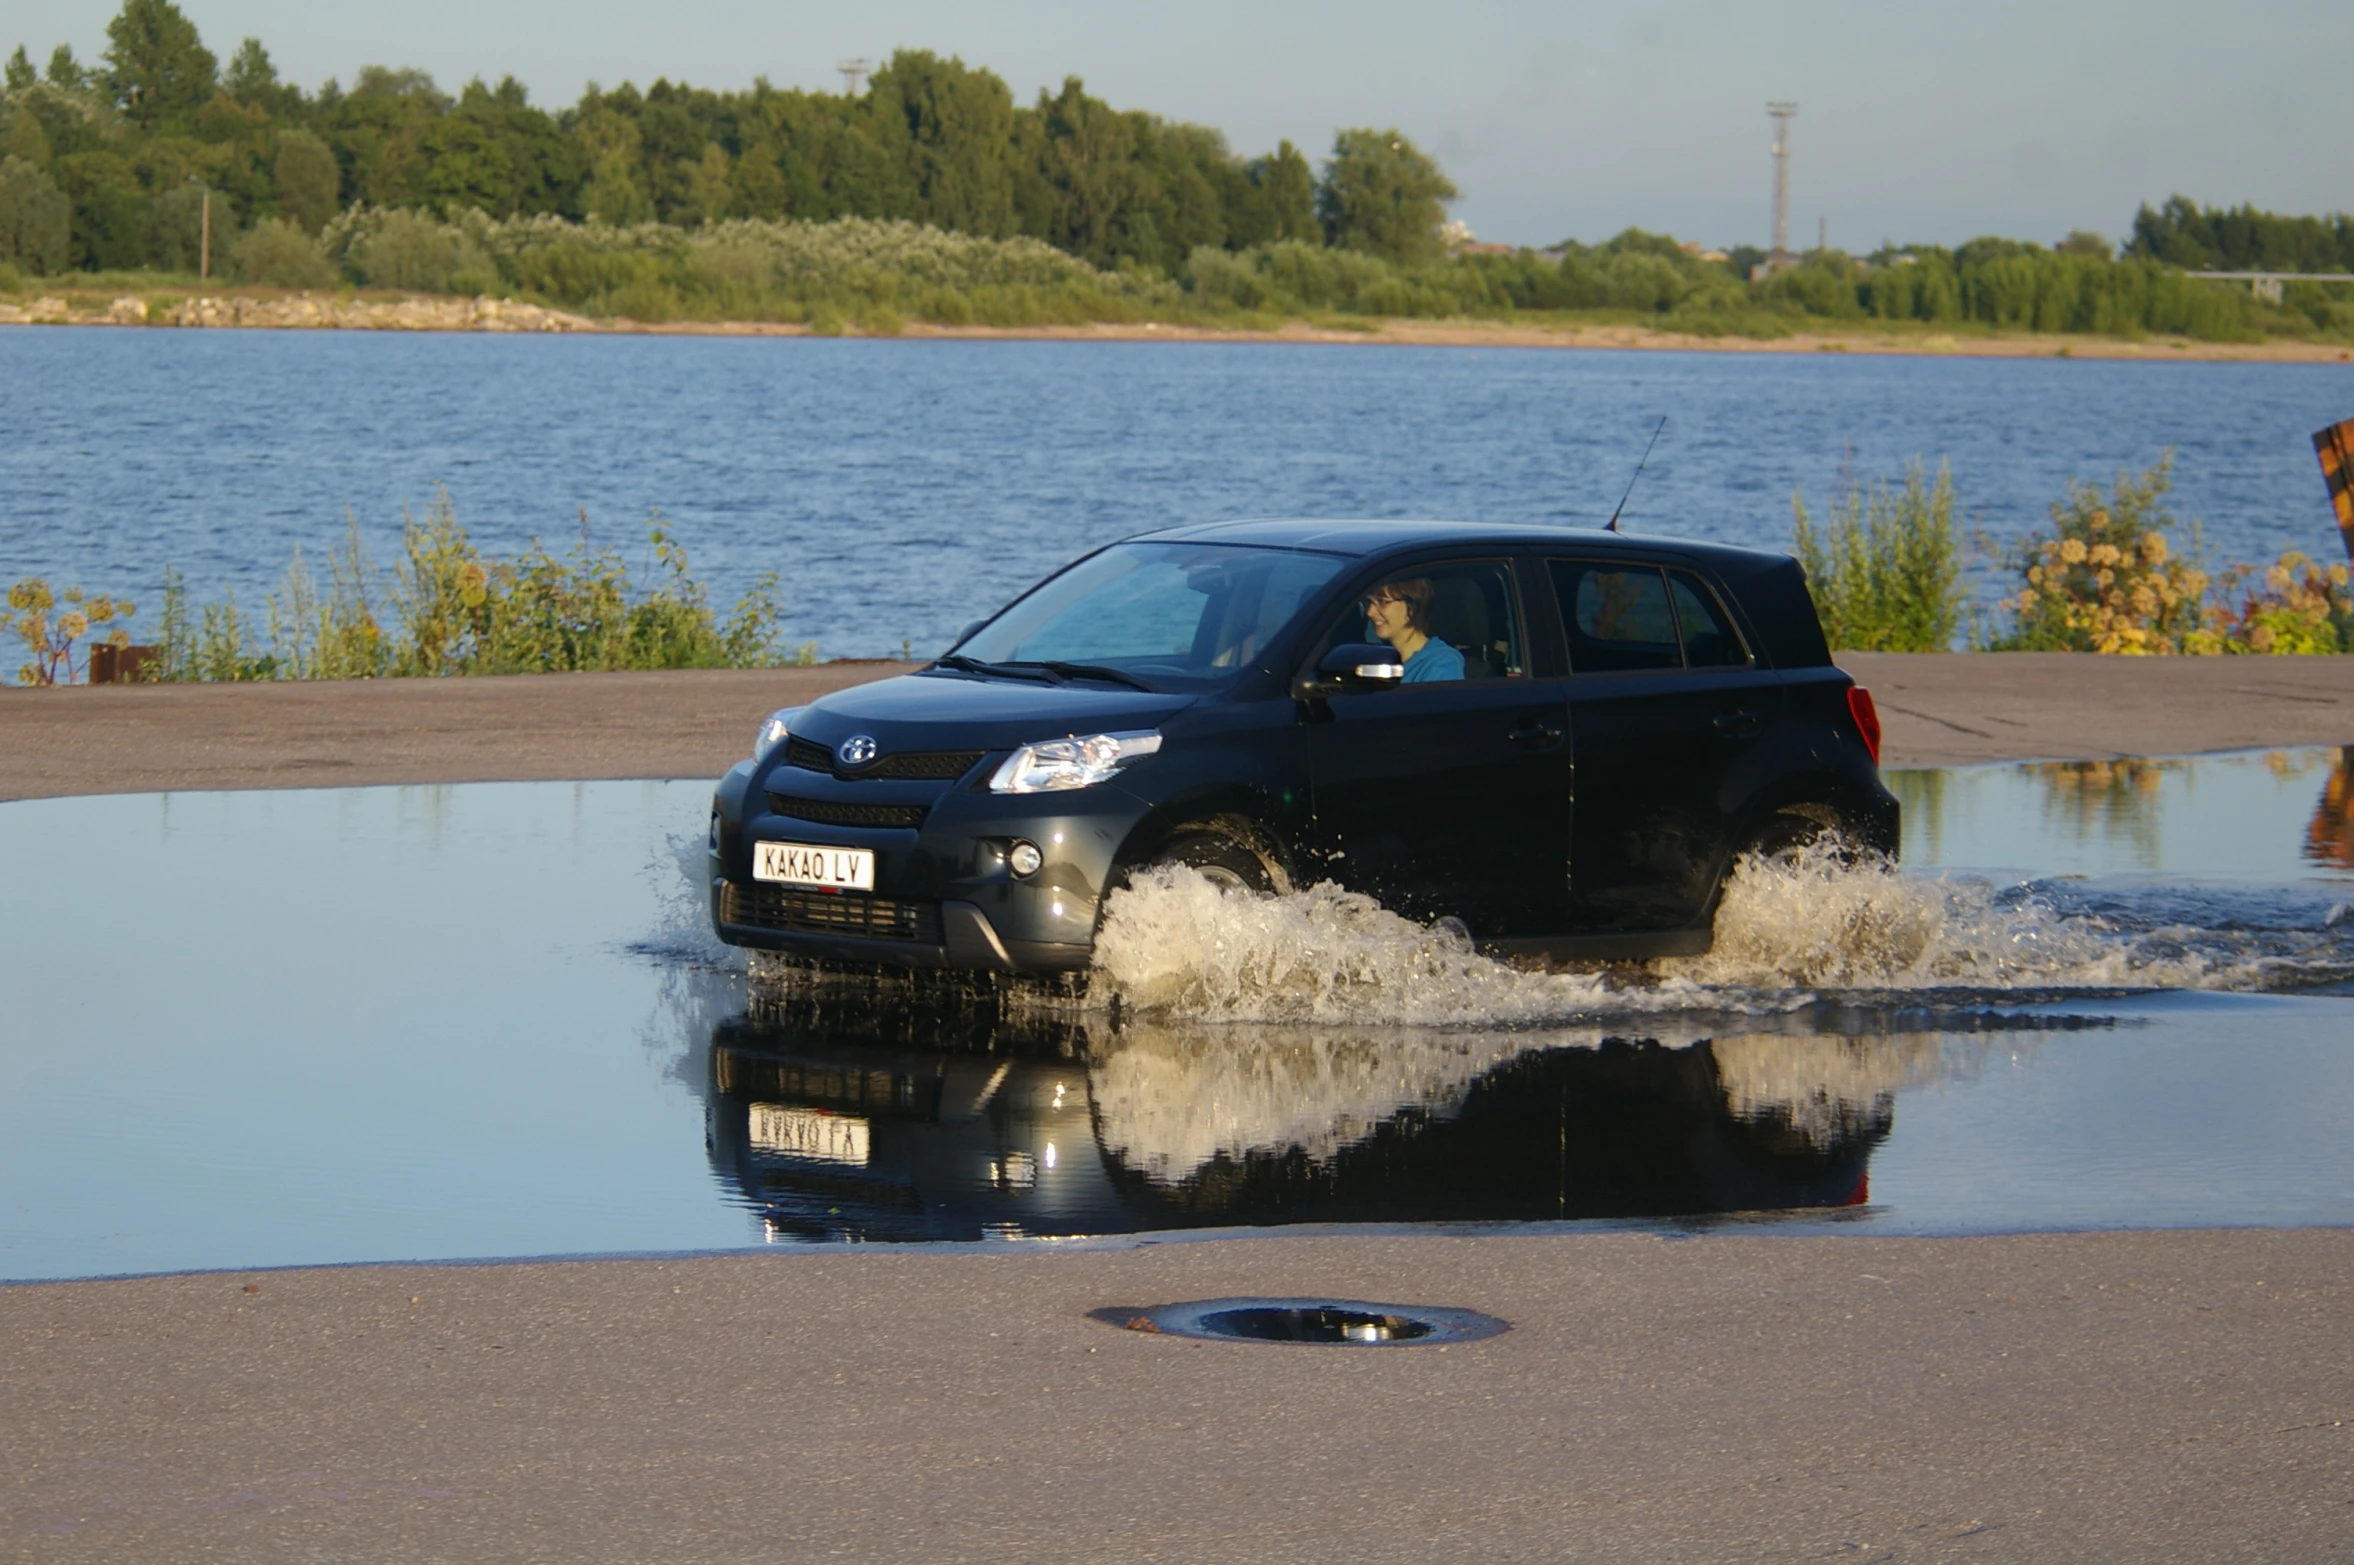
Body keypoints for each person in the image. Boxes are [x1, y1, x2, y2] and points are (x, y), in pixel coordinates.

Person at [1362, 578, 1464, 683]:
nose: (1370, 612)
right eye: (1369, 601)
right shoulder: (1375, 658)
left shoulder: (1440, 666)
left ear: (1412, 606)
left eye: (1382, 602)